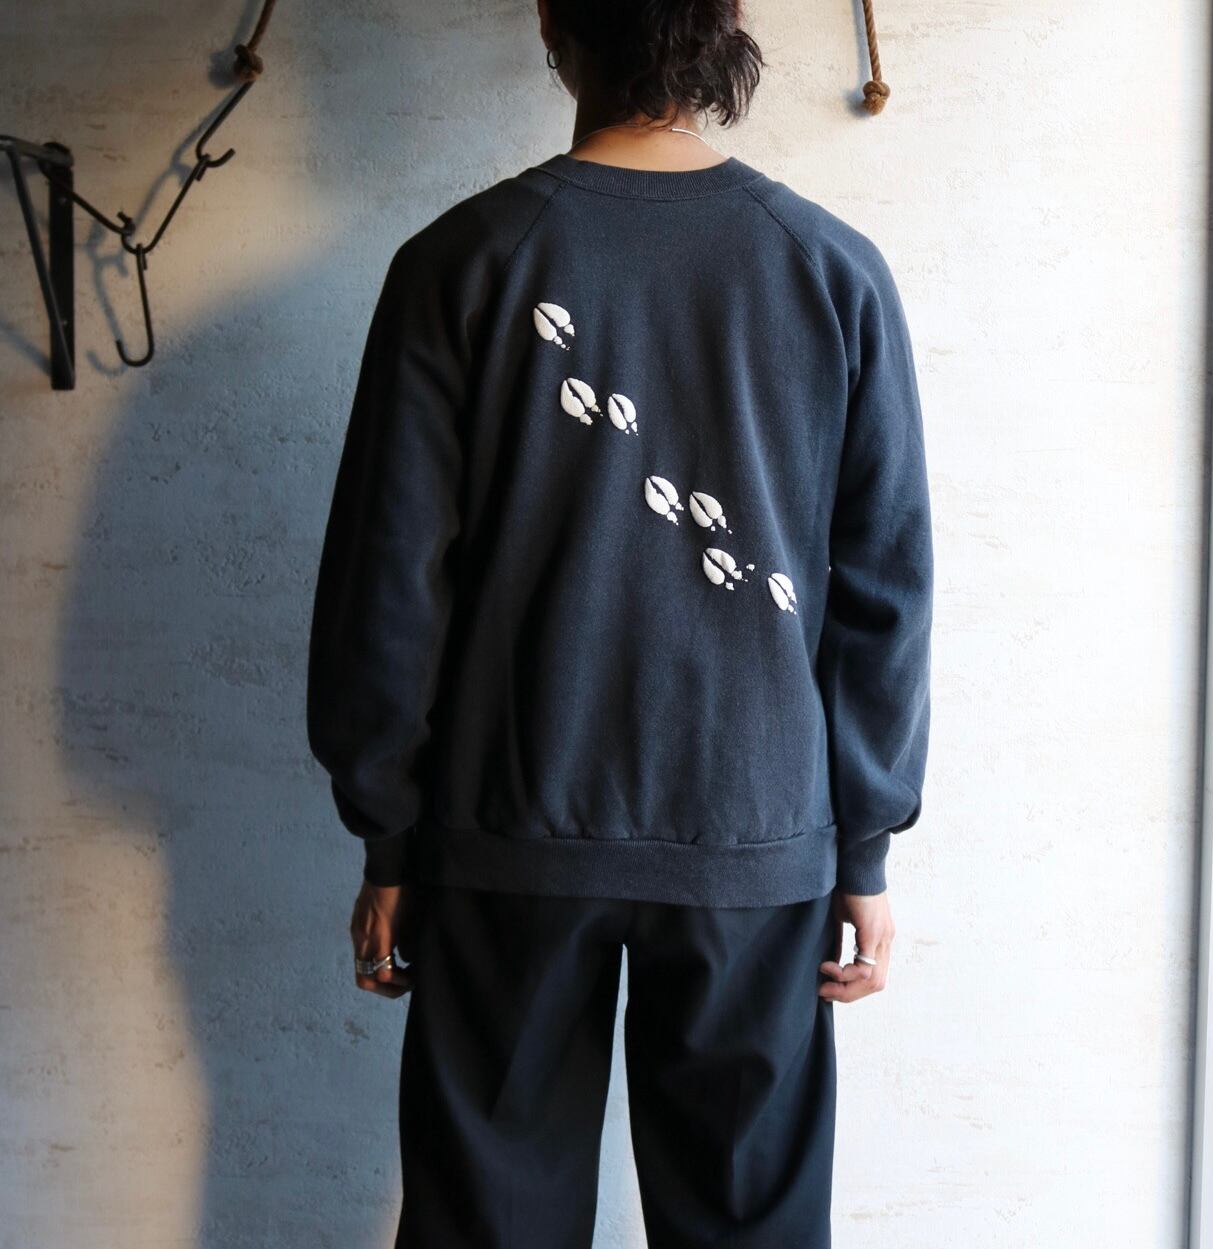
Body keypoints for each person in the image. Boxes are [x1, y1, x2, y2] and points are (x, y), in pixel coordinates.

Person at [305, 0, 934, 1244]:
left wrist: (390, 835)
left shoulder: (459, 262)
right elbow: (884, 590)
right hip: (753, 838)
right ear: (727, 21)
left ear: (553, 20)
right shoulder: (829, 269)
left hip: (506, 832)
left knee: (490, 1220)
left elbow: (389, 580)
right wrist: (862, 847)